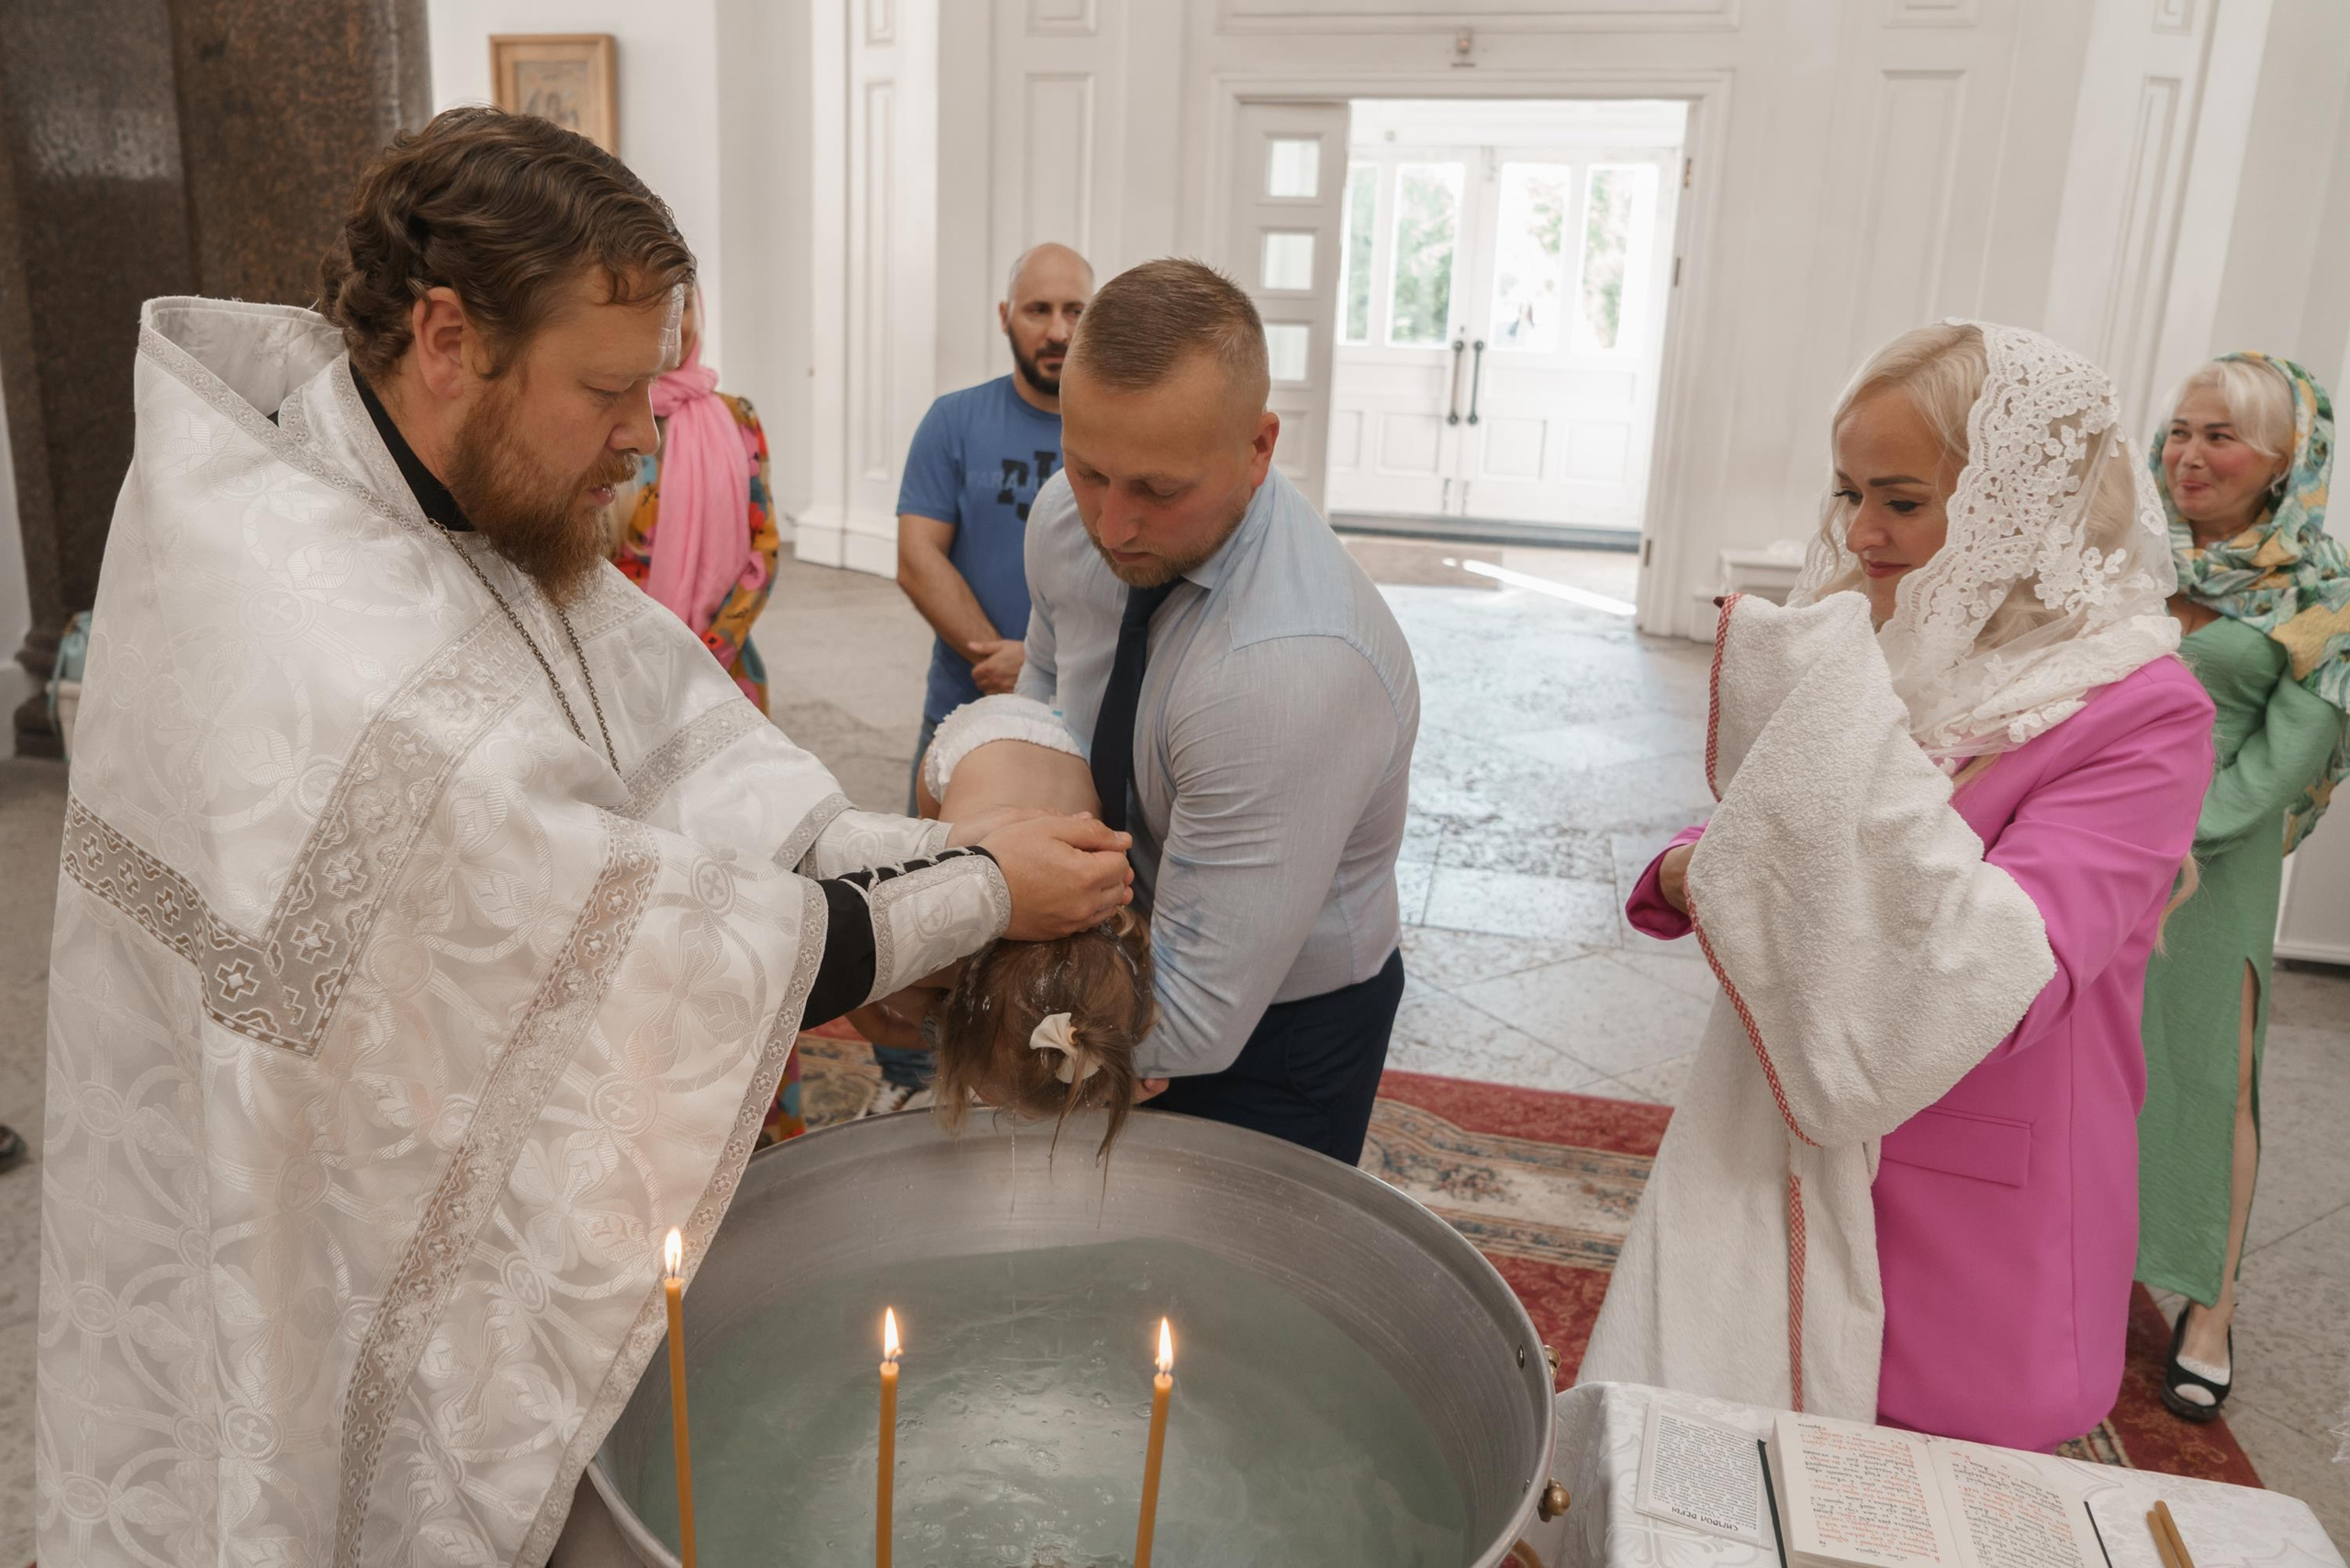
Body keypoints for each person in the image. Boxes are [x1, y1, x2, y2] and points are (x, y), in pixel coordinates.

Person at [34, 107, 1133, 1568]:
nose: (640, 434)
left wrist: (904, 868)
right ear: (446, 334)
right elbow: (630, 938)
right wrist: (979, 892)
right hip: (279, 1195)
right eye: (610, 388)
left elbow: (674, 736)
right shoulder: (311, 611)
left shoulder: (426, 481)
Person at [1580, 322, 2213, 1451]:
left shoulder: (2140, 713)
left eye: (1902, 500)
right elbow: (1781, 818)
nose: (1861, 534)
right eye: (1848, 493)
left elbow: (2006, 979)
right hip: (1790, 1144)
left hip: (1971, 1205)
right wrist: (1699, 865)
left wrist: (1739, 864)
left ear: (2019, 503)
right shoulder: (1894, 643)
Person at [1020, 258, 1420, 1166]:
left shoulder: (1287, 670)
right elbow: (1040, 702)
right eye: (1086, 469)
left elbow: (1195, 1020)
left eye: (1158, 491)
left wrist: (971, 1005)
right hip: (1106, 952)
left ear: (1259, 448)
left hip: (1279, 1036)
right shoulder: (1063, 517)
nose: (1110, 525)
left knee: (1228, 1296)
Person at [2136, 354, 2350, 1422]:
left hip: (2211, 853)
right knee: (2078, 1048)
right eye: (2179, 428)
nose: (2186, 453)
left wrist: (2177, 835)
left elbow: (2292, 751)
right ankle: (2083, 1248)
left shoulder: (2319, 588)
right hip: (2093, 827)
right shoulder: (2128, 548)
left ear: (2282, 459)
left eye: (2219, 434)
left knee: (2210, 1074)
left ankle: (2209, 1302)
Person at [869, 242, 1095, 1114]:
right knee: (934, 908)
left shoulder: (1105, 423)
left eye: (1075, 311)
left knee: (1057, 925)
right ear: (1007, 317)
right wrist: (998, 658)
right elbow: (917, 554)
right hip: (957, 715)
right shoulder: (956, 421)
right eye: (1039, 310)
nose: (1058, 330)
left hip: (1075, 727)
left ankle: (1044, 1084)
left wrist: (1041, 672)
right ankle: (917, 1091)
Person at [850, 693, 1162, 1158]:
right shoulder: (935, 944)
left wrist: (1119, 1075)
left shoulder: (1114, 956)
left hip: (1070, 745)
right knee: (925, 847)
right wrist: (930, 1028)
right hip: (967, 744)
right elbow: (866, 1001)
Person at [605, 288, 780, 711]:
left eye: (681, 304)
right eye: (650, 302)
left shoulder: (737, 416)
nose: (671, 320)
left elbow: (764, 546)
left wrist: (711, 652)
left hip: (723, 665)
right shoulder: (602, 417)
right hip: (620, 668)